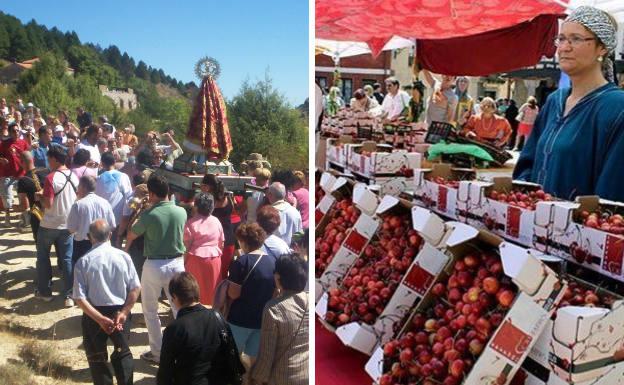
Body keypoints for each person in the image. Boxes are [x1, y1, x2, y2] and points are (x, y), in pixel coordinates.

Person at [514, 6, 624, 201]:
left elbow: (612, 191)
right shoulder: (555, 100)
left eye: (576, 39)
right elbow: (528, 162)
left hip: (581, 228)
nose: (564, 47)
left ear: (602, 47)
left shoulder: (616, 107)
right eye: (561, 38)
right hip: (534, 222)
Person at [127, 174, 187, 364]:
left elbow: (132, 232)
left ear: (151, 193)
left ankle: (158, 352)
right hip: (177, 263)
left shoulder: (149, 214)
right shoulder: (181, 211)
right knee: (179, 308)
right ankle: (181, 350)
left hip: (153, 265)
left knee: (150, 310)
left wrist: (142, 209)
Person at [73, 219, 140, 385]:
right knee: (122, 352)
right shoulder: (124, 257)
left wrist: (100, 319)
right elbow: (135, 288)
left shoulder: (84, 261)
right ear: (110, 234)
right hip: (119, 313)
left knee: (97, 358)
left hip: (94, 314)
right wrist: (124, 312)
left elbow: (79, 298)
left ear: (90, 237)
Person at [157, 272, 244, 385]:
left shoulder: (174, 329)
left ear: (175, 297)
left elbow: (165, 370)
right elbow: (231, 352)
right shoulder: (217, 317)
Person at [250, 253, 309, 385]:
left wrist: (256, 379)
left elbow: (267, 353)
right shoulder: (310, 301)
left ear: (277, 277)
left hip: (282, 376)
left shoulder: (273, 308)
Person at [227, 223, 275, 371]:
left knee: (232, 358)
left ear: (243, 241)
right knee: (253, 361)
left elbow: (233, 294)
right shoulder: (272, 262)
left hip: (239, 319)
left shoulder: (241, 263)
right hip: (260, 320)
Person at [35, 145, 79, 306]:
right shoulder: (74, 176)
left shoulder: (51, 177)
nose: (48, 162)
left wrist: (39, 196)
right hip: (67, 225)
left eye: (48, 159)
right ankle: (69, 295)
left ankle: (45, 292)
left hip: (49, 224)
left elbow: (48, 203)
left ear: (54, 159)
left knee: (43, 258)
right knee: (67, 260)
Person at [183, 193, 224, 305]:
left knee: (194, 292)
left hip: (195, 260)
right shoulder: (216, 221)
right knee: (213, 291)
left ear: (196, 207)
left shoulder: (190, 223)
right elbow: (221, 243)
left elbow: (186, 247)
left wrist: (184, 262)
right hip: (214, 260)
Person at [67, 176, 116, 264]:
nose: (77, 190)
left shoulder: (78, 204)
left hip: (82, 245)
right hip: (102, 242)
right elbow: (112, 225)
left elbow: (71, 229)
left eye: (79, 186)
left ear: (83, 187)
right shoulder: (105, 202)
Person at [200, 174, 236, 280]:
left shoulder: (208, 202)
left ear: (207, 187)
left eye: (202, 185)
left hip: (214, 242)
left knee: (211, 275)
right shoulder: (228, 197)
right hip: (229, 239)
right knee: (223, 274)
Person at [96, 152, 132, 246]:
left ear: (102, 163)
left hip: (103, 222)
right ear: (114, 162)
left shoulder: (98, 179)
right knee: (116, 249)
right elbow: (129, 198)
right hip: (119, 221)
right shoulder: (124, 177)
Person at [0, 122, 29, 226]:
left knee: (22, 196)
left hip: (20, 173)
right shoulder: (4, 144)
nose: (16, 132)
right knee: (6, 196)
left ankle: (25, 216)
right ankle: (7, 215)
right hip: (7, 174)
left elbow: (28, 156)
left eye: (18, 130)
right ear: (10, 132)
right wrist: (1, 159)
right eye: (14, 131)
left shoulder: (23, 143)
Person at [15, 151, 48, 239]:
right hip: (52, 212)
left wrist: (14, 207)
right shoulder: (46, 170)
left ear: (21, 162)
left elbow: (24, 206)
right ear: (33, 159)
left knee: (41, 246)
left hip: (37, 217)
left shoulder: (23, 180)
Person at [266, 182, 302, 246]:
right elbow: (299, 236)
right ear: (285, 195)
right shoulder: (295, 212)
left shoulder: (269, 213)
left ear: (270, 195)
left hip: (274, 253)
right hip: (293, 253)